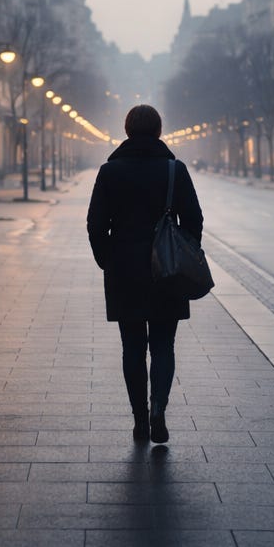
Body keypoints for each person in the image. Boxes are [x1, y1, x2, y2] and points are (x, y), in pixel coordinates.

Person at [87, 104, 204, 443]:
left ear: (126, 131)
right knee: (164, 345)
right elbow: (194, 218)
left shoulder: (110, 171)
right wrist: (183, 253)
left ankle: (139, 420)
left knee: (133, 347)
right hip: (167, 270)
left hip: (125, 269)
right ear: (158, 130)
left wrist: (107, 259)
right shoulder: (173, 170)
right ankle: (158, 410)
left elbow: (96, 225)